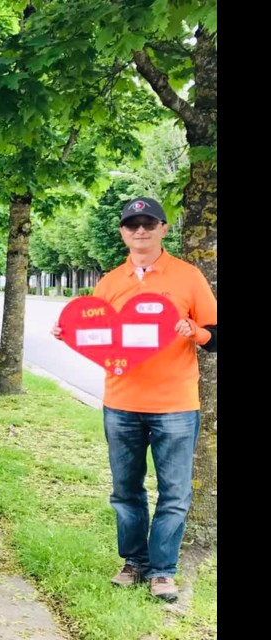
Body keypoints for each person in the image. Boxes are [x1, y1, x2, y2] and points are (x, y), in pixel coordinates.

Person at [52, 196, 217, 602]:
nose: (140, 230)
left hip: (176, 405)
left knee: (175, 492)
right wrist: (70, 333)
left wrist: (193, 331)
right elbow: (98, 330)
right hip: (121, 403)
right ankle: (134, 562)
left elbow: (216, 335)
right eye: (132, 224)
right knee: (126, 490)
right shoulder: (109, 281)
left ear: (164, 228)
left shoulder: (188, 276)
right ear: (123, 233)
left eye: (149, 223)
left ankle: (163, 570)